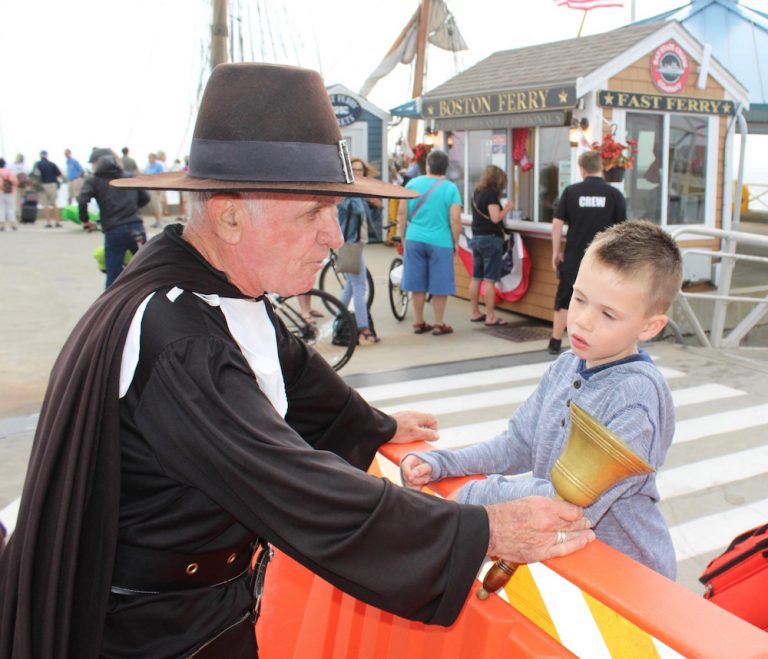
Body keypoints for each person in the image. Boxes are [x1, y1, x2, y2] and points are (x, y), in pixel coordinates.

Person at [0, 63, 593, 658]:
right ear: (230, 215)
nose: (334, 235)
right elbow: (288, 480)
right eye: (313, 213)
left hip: (194, 611)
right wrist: (481, 530)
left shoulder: (213, 287)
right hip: (150, 632)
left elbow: (291, 367)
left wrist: (374, 424)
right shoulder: (179, 340)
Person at [402, 220, 681, 579]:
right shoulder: (568, 365)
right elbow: (518, 443)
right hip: (566, 561)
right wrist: (444, 462)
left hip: (627, 580)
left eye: (608, 314)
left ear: (649, 327)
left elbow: (573, 502)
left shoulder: (637, 398)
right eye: (579, 299)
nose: (582, 321)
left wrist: (478, 497)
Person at [549, 149, 626, 355]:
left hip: (575, 257)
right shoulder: (614, 195)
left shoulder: (571, 192)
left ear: (582, 169)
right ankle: (595, 343)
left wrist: (556, 252)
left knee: (565, 297)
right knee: (601, 301)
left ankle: (555, 341)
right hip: (604, 260)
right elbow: (622, 231)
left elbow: (557, 225)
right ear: (601, 167)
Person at [397, 149, 462, 336]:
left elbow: (402, 212)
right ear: (446, 168)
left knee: (417, 282)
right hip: (440, 241)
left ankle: (418, 321)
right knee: (440, 283)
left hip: (415, 238)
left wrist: (403, 235)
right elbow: (455, 218)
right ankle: (439, 323)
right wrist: (455, 241)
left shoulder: (412, 183)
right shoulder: (450, 188)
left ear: (427, 165)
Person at [79, 148, 150, 287]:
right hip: (136, 227)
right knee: (144, 270)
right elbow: (146, 197)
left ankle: (112, 306)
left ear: (97, 164)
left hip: (114, 230)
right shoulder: (130, 176)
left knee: (114, 274)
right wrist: (133, 209)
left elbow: (83, 201)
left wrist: (85, 220)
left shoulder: (94, 181)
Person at [337, 157, 382, 344]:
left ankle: (340, 321)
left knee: (350, 286)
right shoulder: (346, 192)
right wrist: (365, 195)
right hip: (348, 244)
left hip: (355, 244)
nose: (357, 173)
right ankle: (363, 327)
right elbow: (354, 209)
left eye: (360, 171)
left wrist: (375, 204)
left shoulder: (357, 193)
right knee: (359, 286)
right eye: (354, 170)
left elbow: (370, 219)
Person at [468, 165, 516, 326]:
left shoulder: (476, 193)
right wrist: (507, 208)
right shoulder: (490, 195)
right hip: (490, 239)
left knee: (476, 278)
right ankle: (490, 316)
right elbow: (495, 218)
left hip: (476, 238)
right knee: (489, 280)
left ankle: (475, 312)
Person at [31, 150, 63, 228]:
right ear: (47, 155)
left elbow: (33, 175)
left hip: (42, 186)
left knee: (45, 205)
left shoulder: (37, 164)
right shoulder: (52, 164)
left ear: (40, 156)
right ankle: (57, 222)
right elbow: (59, 174)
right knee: (54, 203)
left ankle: (48, 223)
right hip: (52, 184)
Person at [143, 152, 165, 228]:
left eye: (151, 158)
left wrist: (160, 188)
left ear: (154, 158)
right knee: (152, 205)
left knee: (157, 205)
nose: (149, 159)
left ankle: (159, 221)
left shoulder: (158, 166)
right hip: (149, 187)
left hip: (157, 187)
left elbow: (162, 176)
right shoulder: (148, 166)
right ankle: (156, 220)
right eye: (149, 158)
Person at [0, 158, 19, 232]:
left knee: (1, 208)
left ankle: (1, 224)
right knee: (11, 208)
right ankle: (13, 224)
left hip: (0, 192)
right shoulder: (10, 172)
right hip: (11, 192)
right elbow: (15, 182)